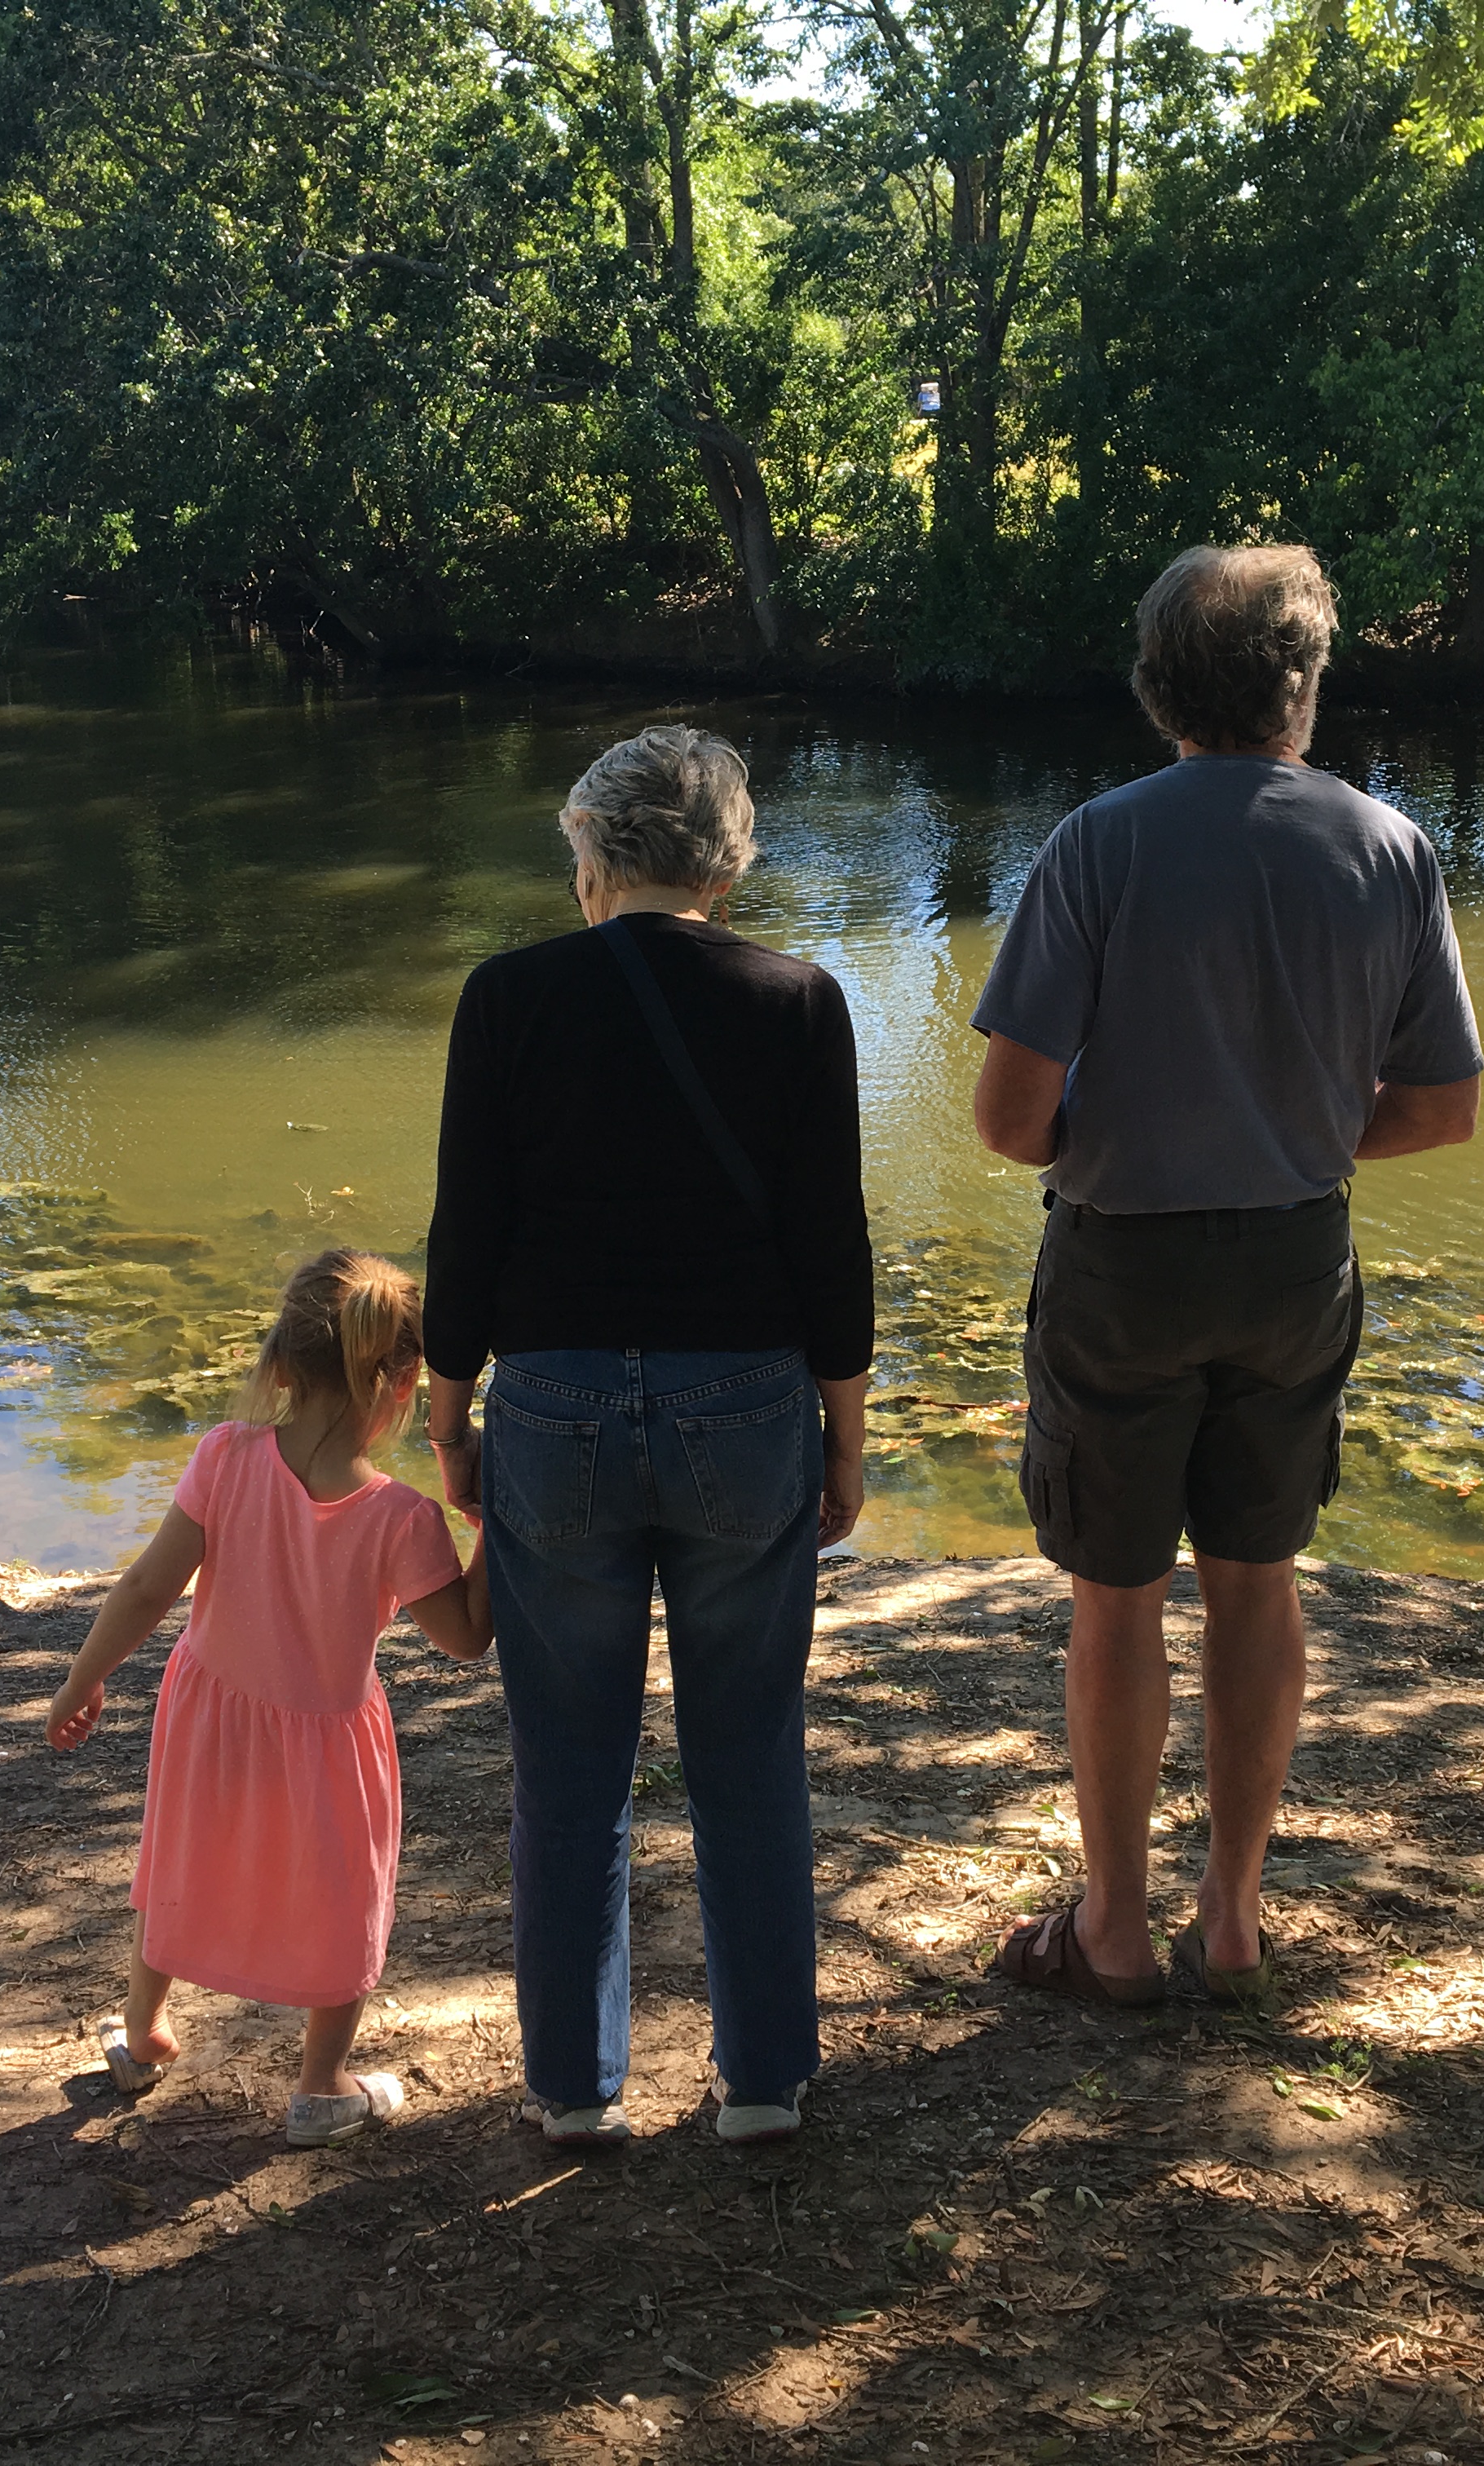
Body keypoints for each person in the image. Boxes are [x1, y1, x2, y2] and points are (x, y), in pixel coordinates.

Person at [972, 543, 1483, 2017]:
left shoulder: (1098, 843)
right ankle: (1238, 1915)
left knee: (1114, 1596)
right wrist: (1296, 1130)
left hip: (1122, 1257)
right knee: (1256, 1586)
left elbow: (1010, 1122)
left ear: (1156, 690)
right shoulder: (1389, 847)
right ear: (1302, 684)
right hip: (1294, 1252)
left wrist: (1127, 1134)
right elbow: (1442, 1107)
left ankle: (1115, 1928)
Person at [425, 724, 873, 2149]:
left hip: (551, 1403)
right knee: (748, 1742)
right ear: (726, 864)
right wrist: (843, 1432)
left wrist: (448, 1410)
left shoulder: (506, 998)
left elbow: (467, 1230)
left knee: (566, 1757)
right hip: (745, 1404)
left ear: (591, 857)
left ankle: (570, 2086)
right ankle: (761, 2082)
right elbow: (831, 1246)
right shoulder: (799, 1001)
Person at [45, 1248, 492, 2148]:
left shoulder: (224, 1455)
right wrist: (491, 1521)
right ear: (405, 1382)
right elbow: (468, 1636)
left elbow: (145, 1588)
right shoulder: (402, 1517)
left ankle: (141, 2037)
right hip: (331, 1738)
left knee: (178, 1861)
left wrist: (82, 1677)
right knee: (345, 1893)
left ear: (279, 1364)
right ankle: (322, 2085)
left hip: (209, 1714)